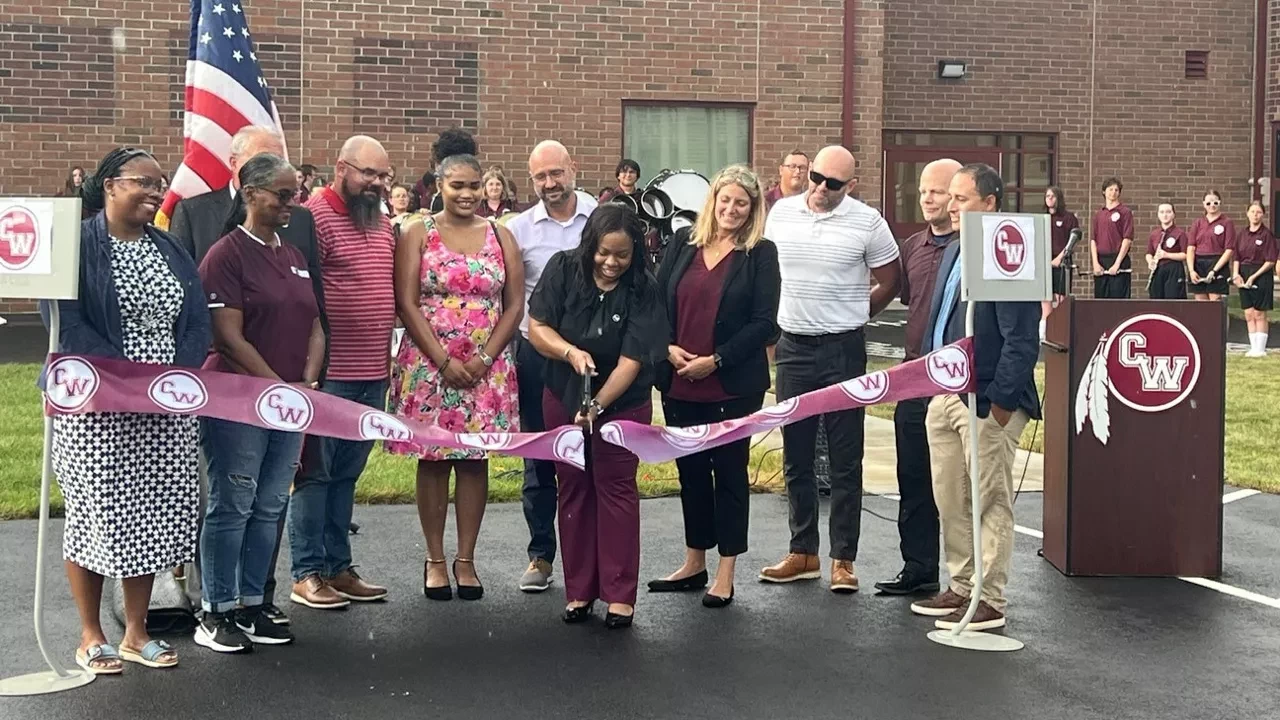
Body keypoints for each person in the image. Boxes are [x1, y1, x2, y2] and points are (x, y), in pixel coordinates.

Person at [39, 147, 211, 673]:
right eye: (144, 182)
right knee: (97, 516)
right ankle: (91, 633)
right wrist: (126, 379)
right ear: (110, 185)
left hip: (166, 408)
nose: (156, 193)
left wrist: (177, 373)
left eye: (160, 184)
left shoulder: (169, 247)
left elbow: (196, 315)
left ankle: (137, 632)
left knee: (155, 516)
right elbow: (64, 319)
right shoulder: (80, 245)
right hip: (98, 405)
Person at [168, 124, 326, 627]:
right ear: (251, 193)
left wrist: (305, 377)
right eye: (282, 195)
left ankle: (255, 601)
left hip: (289, 403)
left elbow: (315, 321)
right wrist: (277, 386)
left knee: (270, 503)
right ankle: (217, 607)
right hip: (239, 401)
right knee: (232, 504)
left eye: (295, 195)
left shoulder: (293, 253)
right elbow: (228, 336)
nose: (291, 204)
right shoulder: (226, 255)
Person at [759, 145, 902, 592]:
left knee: (845, 458)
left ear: (851, 186)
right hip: (793, 347)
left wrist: (858, 313)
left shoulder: (868, 222)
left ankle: (844, 559)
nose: (820, 188)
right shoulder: (781, 213)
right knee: (797, 455)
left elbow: (891, 279)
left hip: (843, 349)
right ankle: (803, 552)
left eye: (832, 183)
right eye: (816, 177)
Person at [386, 147, 525, 601]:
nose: (467, 194)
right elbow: (406, 302)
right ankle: (435, 559)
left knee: (473, 460)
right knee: (433, 460)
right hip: (430, 364)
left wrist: (484, 359)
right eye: (457, 185)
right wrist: (444, 361)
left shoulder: (501, 234)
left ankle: (466, 559)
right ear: (439, 186)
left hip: (488, 366)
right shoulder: (416, 231)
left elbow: (515, 304)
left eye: (473, 185)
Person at [910, 162, 1041, 632]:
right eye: (951, 197)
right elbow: (944, 316)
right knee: (951, 497)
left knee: (988, 498)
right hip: (944, 393)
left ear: (989, 204)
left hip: (987, 399)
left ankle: (990, 596)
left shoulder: (1010, 254)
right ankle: (962, 584)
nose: (951, 206)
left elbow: (1022, 339)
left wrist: (1000, 405)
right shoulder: (954, 251)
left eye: (961, 199)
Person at [527, 203, 667, 629]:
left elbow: (631, 361)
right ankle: (580, 591)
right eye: (604, 253)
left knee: (615, 487)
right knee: (573, 487)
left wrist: (598, 405)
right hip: (561, 392)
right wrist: (569, 352)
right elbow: (538, 327)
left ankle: (620, 595)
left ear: (635, 254)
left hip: (621, 402)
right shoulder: (563, 269)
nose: (610, 263)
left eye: (622, 256)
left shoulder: (644, 287)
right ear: (591, 246)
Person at [648, 165, 780, 607]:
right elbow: (655, 302)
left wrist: (717, 360)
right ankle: (694, 561)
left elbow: (765, 323)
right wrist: (666, 347)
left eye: (741, 203)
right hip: (679, 380)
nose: (731, 209)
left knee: (728, 476)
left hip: (731, 385)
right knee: (691, 476)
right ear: (713, 201)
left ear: (752, 208)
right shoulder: (682, 244)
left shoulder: (761, 253)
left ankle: (726, 570)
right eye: (725, 200)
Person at [287, 136, 397, 610]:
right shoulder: (312, 217)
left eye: (382, 176)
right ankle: (306, 571)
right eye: (366, 174)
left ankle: (338, 566)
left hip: (373, 371)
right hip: (331, 373)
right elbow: (302, 296)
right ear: (340, 168)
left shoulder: (382, 222)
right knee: (316, 473)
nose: (374, 183)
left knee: (347, 474)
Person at [506, 141, 599, 593]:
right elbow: (513, 297)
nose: (550, 184)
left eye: (556, 173)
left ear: (573, 169)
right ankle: (541, 556)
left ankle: (594, 554)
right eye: (541, 177)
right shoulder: (518, 229)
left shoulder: (603, 218)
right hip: (537, 355)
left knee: (597, 456)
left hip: (595, 357)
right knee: (540, 457)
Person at [873, 158, 962, 597]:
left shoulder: (973, 249)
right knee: (914, 478)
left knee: (957, 486)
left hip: (959, 384)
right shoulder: (912, 248)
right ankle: (919, 568)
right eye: (923, 190)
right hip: (915, 380)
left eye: (939, 191)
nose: (928, 197)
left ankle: (966, 580)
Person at [1233, 200, 1277, 357]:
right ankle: (1253, 347)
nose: (1255, 215)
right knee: (1248, 313)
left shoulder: (1266, 235)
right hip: (1244, 274)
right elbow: (1236, 256)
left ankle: (1261, 348)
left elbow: (1270, 260)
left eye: (1258, 212)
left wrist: (1254, 276)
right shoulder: (1242, 235)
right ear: (1247, 213)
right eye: (1252, 212)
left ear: (1263, 215)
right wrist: (1236, 274)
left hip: (1261, 274)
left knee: (1259, 313)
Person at [1187, 189, 1236, 301]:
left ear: (1220, 202)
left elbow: (1229, 249)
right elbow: (1191, 248)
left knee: (1215, 301)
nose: (1212, 206)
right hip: (1198, 263)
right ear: (1204, 204)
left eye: (1215, 202)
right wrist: (1191, 270)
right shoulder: (1198, 223)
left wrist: (1214, 270)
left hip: (1217, 261)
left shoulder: (1227, 222)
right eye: (1208, 203)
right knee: (1200, 303)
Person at [1090, 177, 1133, 298]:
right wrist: (1095, 263)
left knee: (1118, 301)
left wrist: (1117, 264)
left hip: (1118, 259)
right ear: (1104, 191)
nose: (1113, 192)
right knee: (1100, 300)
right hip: (1102, 260)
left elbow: (1127, 239)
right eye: (1110, 189)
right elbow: (1093, 240)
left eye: (1116, 190)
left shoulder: (1125, 212)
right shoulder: (1099, 214)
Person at [1044, 186, 1080, 315]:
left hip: (1062, 261)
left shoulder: (1068, 218)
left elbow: (1072, 240)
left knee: (1061, 296)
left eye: (1052, 196)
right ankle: (1046, 323)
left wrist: (1059, 258)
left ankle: (1061, 323)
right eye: (1047, 196)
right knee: (1045, 295)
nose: (1050, 199)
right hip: (1046, 261)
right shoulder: (1044, 217)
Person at [1145, 203, 1189, 300]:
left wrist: (1167, 255)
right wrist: (1150, 261)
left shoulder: (1180, 233)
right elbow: (1149, 253)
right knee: (1156, 298)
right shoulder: (1154, 234)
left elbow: (1185, 255)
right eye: (1162, 212)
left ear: (1173, 214)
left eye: (1168, 212)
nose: (1165, 215)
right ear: (1158, 214)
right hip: (1158, 269)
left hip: (1174, 269)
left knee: (1173, 298)